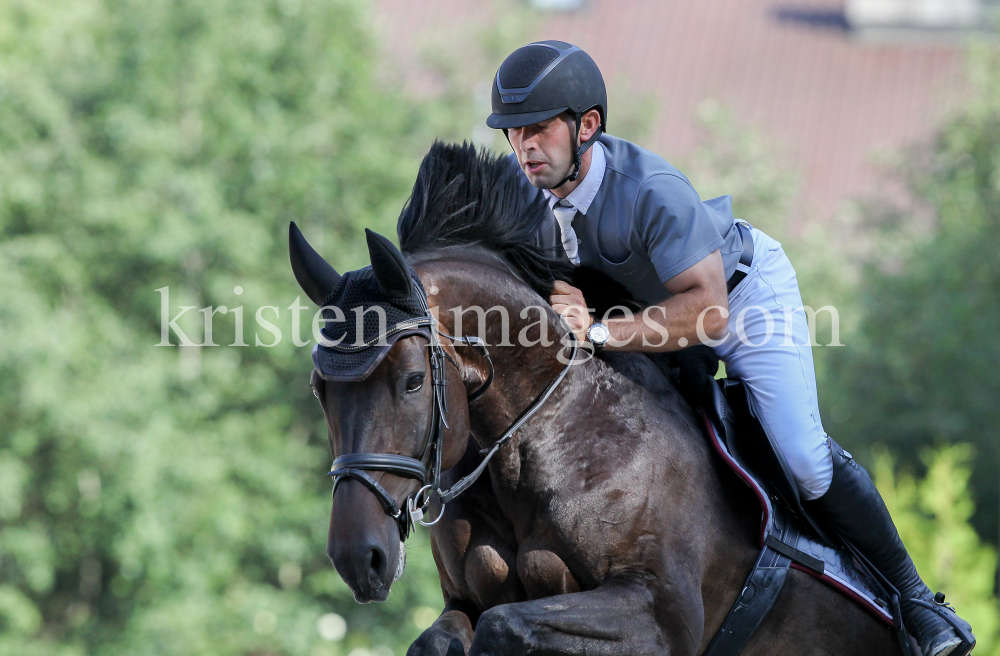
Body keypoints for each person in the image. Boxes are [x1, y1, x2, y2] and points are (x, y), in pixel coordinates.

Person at [485, 40, 974, 656]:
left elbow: (706, 309)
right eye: (513, 133)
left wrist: (600, 332)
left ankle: (917, 601)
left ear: (587, 126)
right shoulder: (519, 189)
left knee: (801, 458)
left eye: (538, 130)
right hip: (638, 313)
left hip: (738, 300)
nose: (524, 147)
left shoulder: (649, 189)